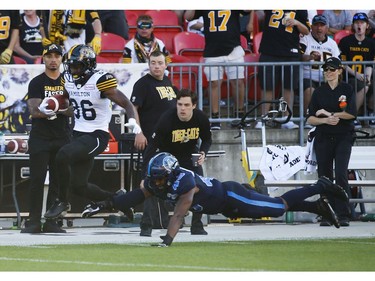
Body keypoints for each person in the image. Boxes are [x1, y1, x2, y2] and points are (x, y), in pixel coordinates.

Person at [82, 152, 349, 246]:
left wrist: (167, 241)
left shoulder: (184, 182)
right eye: (155, 177)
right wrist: (106, 204)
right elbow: (135, 195)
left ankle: (319, 186)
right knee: (275, 209)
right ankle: (318, 207)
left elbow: (178, 215)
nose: (156, 182)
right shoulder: (160, 180)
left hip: (232, 195)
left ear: (170, 173)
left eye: (160, 177)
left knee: (279, 207)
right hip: (226, 205)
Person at [43, 44, 142, 219]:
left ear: (88, 65)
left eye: (77, 66)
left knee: (62, 155)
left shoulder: (100, 81)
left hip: (97, 135)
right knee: (78, 186)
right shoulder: (68, 78)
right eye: (71, 65)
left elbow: (126, 103)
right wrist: (53, 104)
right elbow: (67, 100)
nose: (73, 70)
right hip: (78, 134)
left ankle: (62, 201)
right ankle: (118, 200)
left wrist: (133, 121)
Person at [142, 89, 212, 235]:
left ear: (194, 105)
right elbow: (152, 145)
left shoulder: (201, 118)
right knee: (151, 187)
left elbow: (207, 139)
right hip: (167, 158)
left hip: (189, 155)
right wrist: (147, 170)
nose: (182, 108)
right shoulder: (167, 118)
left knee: (201, 185)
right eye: (179, 104)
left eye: (186, 105)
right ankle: (146, 225)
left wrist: (203, 153)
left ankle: (197, 225)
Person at [21, 43, 73, 233]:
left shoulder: (69, 83)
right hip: (40, 137)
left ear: (62, 59)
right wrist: (48, 109)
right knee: (37, 179)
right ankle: (33, 221)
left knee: (58, 181)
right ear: (43, 58)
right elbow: (34, 111)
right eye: (49, 56)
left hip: (62, 137)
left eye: (56, 56)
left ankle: (52, 221)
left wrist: (55, 108)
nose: (53, 59)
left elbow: (73, 110)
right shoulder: (36, 82)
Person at [306, 57, 356, 227]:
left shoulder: (347, 89)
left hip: (343, 136)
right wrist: (326, 121)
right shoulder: (319, 92)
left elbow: (351, 114)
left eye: (332, 69)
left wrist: (329, 114)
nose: (329, 72)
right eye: (326, 69)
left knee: (341, 174)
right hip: (324, 136)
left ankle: (343, 213)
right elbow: (311, 118)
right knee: (324, 176)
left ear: (340, 71)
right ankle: (327, 212)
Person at [184, 10, 248, 130]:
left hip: (233, 49)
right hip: (212, 51)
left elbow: (247, 10)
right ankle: (215, 117)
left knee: (238, 82)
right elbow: (188, 16)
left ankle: (239, 115)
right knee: (214, 84)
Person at [256, 10, 310, 130]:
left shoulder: (300, 8)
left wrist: (296, 22)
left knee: (288, 87)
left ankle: (287, 119)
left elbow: (306, 31)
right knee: (267, 86)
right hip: (269, 50)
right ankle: (263, 118)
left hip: (290, 51)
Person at [300, 14, 341, 125]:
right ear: (311, 27)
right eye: (316, 25)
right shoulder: (305, 39)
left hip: (326, 77)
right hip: (307, 75)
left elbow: (338, 62)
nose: (319, 28)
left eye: (322, 25)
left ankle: (336, 119)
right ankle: (308, 119)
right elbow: (299, 56)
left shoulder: (332, 44)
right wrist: (310, 57)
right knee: (310, 90)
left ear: (326, 28)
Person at [338, 12, 375, 129]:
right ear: (353, 25)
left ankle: (370, 112)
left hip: (363, 76)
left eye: (362, 23)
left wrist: (368, 76)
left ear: (367, 26)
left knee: (369, 84)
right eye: (357, 23)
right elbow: (342, 63)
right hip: (349, 76)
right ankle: (352, 116)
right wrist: (357, 75)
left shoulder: (371, 43)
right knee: (364, 86)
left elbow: (369, 63)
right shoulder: (345, 41)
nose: (359, 25)